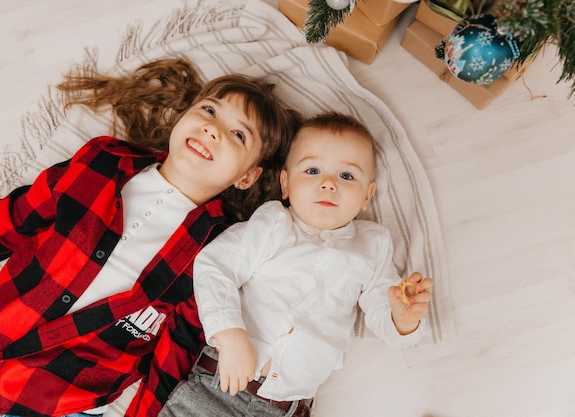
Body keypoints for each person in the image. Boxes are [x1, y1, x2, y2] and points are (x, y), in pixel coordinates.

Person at [0, 58, 300, 417]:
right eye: (209, 110)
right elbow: (7, 222)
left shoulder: (220, 249)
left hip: (70, 402)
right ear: (184, 117)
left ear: (247, 177)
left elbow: (175, 352)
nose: (213, 129)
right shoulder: (101, 163)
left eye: (238, 135)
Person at [158, 112, 433, 417]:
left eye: (347, 176)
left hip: (285, 407)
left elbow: (383, 317)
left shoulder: (372, 246)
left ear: (367, 195)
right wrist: (229, 332)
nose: (328, 184)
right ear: (286, 184)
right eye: (313, 170)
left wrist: (403, 318)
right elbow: (214, 266)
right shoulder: (273, 224)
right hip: (219, 386)